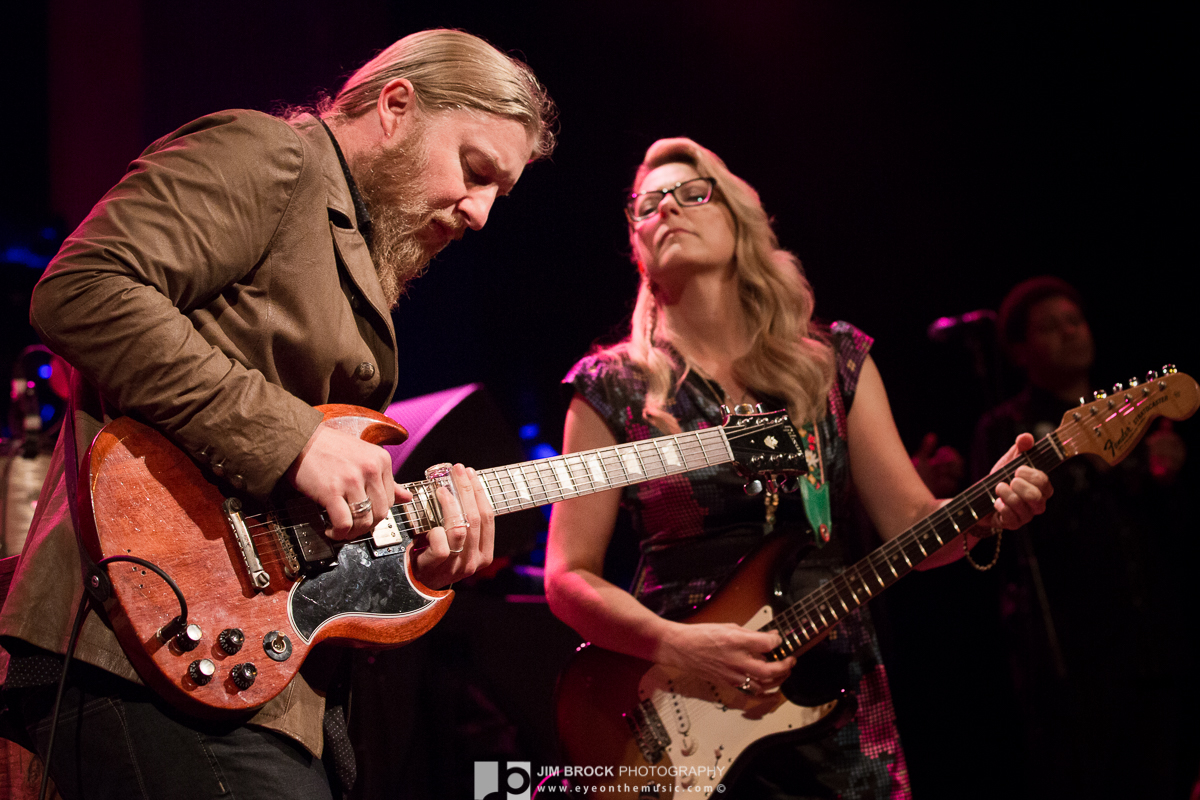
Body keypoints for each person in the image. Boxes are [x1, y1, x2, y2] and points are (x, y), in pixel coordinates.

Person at [0, 29, 555, 800]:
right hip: (135, 644)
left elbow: (286, 519)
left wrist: (413, 568)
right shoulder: (273, 155)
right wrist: (294, 440)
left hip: (251, 682)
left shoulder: (350, 244)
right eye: (474, 170)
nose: (481, 212)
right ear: (397, 106)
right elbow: (83, 287)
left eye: (500, 191)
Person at [544, 138, 1052, 799]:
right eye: (646, 204)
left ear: (741, 220)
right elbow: (567, 576)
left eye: (692, 193)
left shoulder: (834, 363)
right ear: (637, 244)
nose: (666, 209)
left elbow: (914, 529)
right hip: (678, 712)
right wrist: (679, 645)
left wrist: (986, 512)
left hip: (835, 697)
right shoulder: (610, 388)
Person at [971, 276, 1194, 800]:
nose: (1070, 333)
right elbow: (995, 542)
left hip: (1155, 646)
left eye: (1075, 320)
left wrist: (1169, 478)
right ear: (1020, 351)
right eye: (1050, 328)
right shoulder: (1007, 427)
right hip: (1069, 662)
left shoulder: (1134, 415)